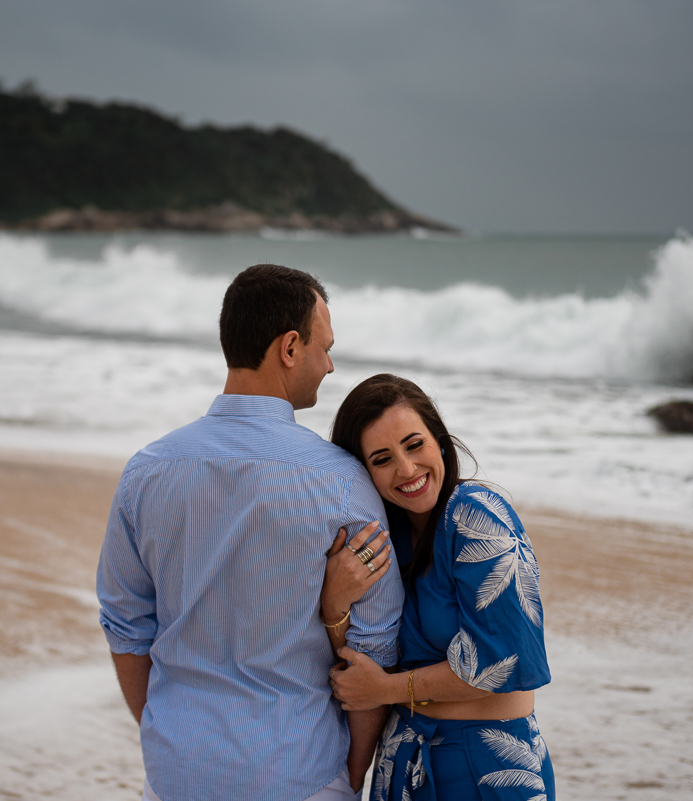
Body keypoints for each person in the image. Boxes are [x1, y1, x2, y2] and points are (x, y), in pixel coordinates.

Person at [96, 264, 404, 801]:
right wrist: (353, 774)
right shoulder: (342, 483)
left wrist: (170, 737)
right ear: (289, 347)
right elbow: (373, 644)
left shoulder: (146, 471)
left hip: (176, 775)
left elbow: (125, 627)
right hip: (302, 774)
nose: (330, 366)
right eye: (324, 348)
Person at [320, 374, 554, 801]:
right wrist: (334, 602)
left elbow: (503, 662)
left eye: (414, 445)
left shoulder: (476, 515)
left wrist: (389, 689)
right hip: (402, 767)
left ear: (440, 441)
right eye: (382, 458)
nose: (407, 470)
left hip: (485, 767)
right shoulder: (386, 539)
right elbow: (360, 667)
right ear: (362, 472)